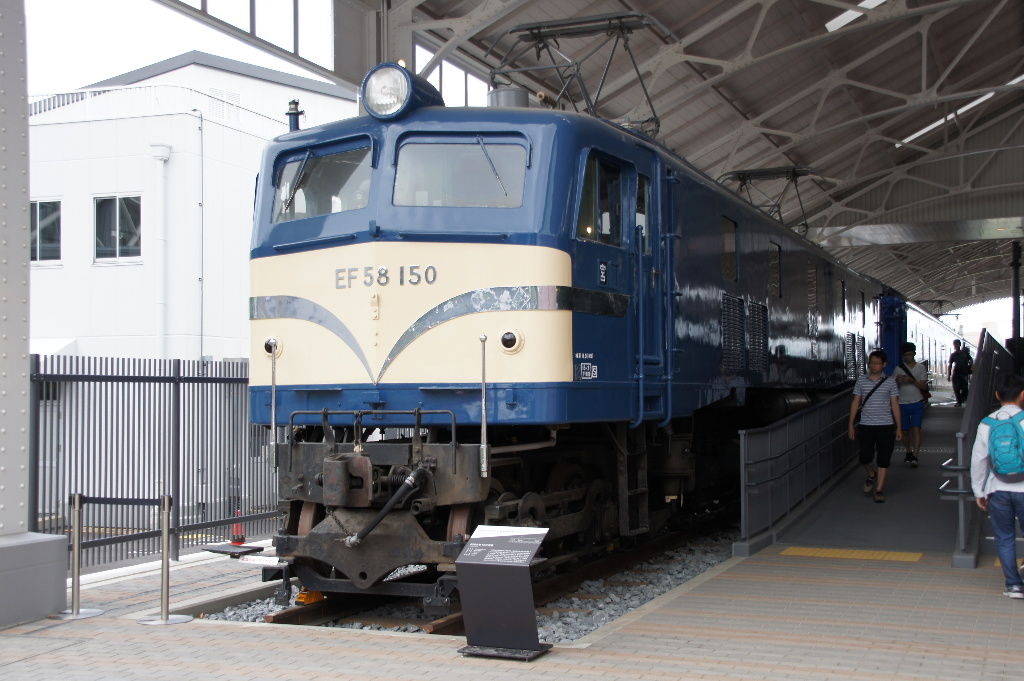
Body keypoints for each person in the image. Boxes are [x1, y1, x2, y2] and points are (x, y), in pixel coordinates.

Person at [970, 375, 1024, 599]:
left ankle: (1014, 586)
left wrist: (979, 491)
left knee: (1004, 537)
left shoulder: (987, 423)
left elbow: (978, 460)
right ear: (1023, 395)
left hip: (997, 489)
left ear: (997, 395)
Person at [848, 350, 903, 502]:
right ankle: (872, 473)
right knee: (865, 456)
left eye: (877, 363)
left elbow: (895, 405)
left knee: (884, 459)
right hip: (866, 425)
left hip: (886, 425)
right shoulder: (861, 381)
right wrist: (851, 425)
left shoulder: (890, 382)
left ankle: (879, 490)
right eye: (871, 363)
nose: (873, 366)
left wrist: (899, 427)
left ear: (884, 365)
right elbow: (855, 402)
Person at [894, 342, 929, 467]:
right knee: (904, 431)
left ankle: (915, 456)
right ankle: (908, 451)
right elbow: (892, 387)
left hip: (917, 402)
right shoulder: (898, 369)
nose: (907, 357)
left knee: (916, 429)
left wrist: (911, 380)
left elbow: (923, 386)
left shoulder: (921, 368)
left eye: (909, 354)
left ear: (914, 354)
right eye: (905, 355)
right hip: (902, 403)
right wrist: (897, 381)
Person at [948, 340, 973, 406]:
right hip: (956, 373)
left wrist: (970, 366)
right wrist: (949, 375)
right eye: (954, 344)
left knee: (964, 388)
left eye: (956, 344)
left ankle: (962, 399)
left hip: (964, 373)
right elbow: (950, 365)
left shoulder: (965, 353)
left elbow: (971, 360)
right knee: (956, 388)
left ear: (959, 345)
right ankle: (959, 401)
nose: (955, 346)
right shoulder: (953, 355)